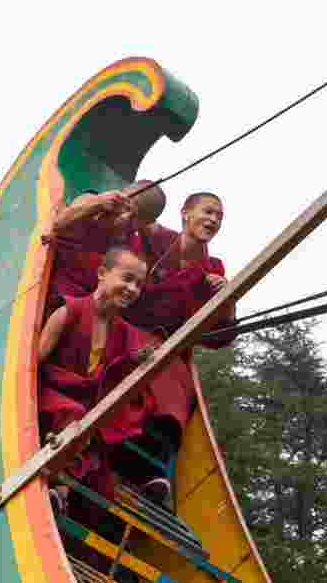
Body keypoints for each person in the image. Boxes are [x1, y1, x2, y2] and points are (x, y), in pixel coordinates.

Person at [114, 192, 237, 505]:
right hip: (125, 327)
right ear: (185, 213)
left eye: (219, 217)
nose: (213, 221)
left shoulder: (214, 269)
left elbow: (221, 335)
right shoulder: (155, 238)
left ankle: (152, 472)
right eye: (208, 212)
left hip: (169, 348)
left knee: (175, 385)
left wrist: (228, 301)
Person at [37, 246, 151, 513]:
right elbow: (35, 363)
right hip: (50, 397)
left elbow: (113, 378)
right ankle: (58, 488)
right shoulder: (69, 311)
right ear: (102, 273)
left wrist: (138, 362)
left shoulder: (124, 332)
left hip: (86, 411)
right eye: (126, 278)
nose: (132, 289)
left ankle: (61, 491)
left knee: (109, 425)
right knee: (75, 414)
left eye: (139, 284)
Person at [45, 180, 166, 311]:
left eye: (135, 217)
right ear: (123, 192)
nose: (125, 217)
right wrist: (98, 203)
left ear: (146, 223)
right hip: (42, 286)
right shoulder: (92, 203)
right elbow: (57, 224)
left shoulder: (131, 249)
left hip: (72, 306)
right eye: (126, 206)